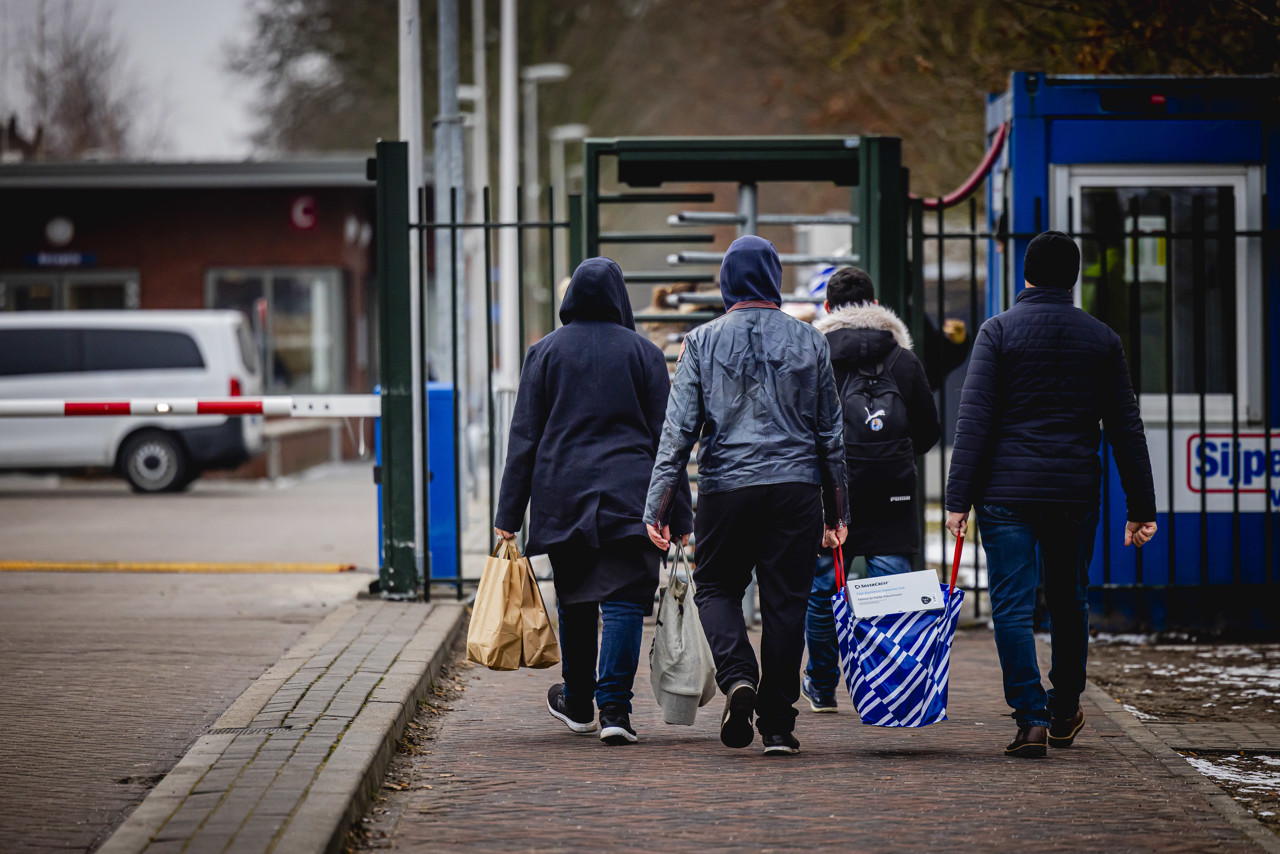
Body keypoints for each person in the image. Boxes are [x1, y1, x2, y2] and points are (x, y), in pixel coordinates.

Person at [945, 231, 1157, 758]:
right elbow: (1126, 428)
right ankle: (1065, 708)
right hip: (1073, 493)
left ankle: (1030, 717)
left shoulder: (997, 332)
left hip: (1005, 494)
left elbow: (975, 423)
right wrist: (1142, 506)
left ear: (1026, 274)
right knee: (1069, 602)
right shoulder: (1101, 338)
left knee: (1012, 608)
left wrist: (957, 499)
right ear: (1075, 277)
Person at [644, 235, 849, 756]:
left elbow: (678, 432)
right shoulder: (811, 341)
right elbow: (831, 435)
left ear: (726, 281)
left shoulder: (701, 341)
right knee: (788, 604)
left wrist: (658, 505)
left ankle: (739, 676)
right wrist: (837, 508)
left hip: (727, 488)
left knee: (715, 588)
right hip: (796, 488)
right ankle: (778, 724)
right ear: (775, 278)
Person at [494, 257, 693, 747]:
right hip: (633, 492)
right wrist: (682, 515)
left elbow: (524, 438)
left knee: (577, 596)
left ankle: (579, 701)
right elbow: (668, 441)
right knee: (626, 599)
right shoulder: (644, 354)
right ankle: (615, 711)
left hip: (564, 492)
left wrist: (507, 515)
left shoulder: (544, 353)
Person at [801, 267, 941, 712]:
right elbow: (930, 429)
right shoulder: (903, 359)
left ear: (827, 309)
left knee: (823, 588)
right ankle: (888, 690)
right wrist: (895, 455)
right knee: (891, 588)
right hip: (892, 491)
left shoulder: (815, 355)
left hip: (830, 490)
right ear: (876, 306)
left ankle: (822, 686)